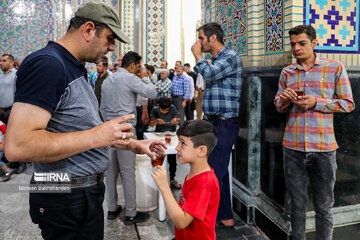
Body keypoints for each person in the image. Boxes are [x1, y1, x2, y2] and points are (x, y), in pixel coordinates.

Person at [4, 2, 166, 239]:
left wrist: (132, 144)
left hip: (79, 194)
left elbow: (78, 128)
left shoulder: (73, 67)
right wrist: (97, 135)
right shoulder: (48, 65)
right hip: (65, 196)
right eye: (110, 38)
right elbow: (17, 146)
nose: (112, 47)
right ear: (88, 30)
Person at [274, 25, 355, 240]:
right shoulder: (287, 72)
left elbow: (348, 104)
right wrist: (283, 100)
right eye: (293, 44)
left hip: (324, 147)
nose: (296, 48)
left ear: (314, 43)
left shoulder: (334, 68)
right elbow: (278, 106)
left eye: (302, 43)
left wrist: (317, 102)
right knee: (297, 205)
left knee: (324, 205)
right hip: (293, 146)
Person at [191, 22, 242, 227]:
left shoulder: (230, 56)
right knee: (219, 172)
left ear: (213, 38)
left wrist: (197, 56)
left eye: (202, 38)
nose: (199, 42)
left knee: (211, 174)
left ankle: (202, 221)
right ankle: (226, 217)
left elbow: (209, 74)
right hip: (212, 122)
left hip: (225, 123)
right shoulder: (214, 60)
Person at [100, 51, 158, 224]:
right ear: (132, 65)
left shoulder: (107, 80)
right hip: (125, 130)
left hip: (109, 130)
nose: (140, 70)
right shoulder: (130, 78)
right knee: (127, 172)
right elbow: (152, 93)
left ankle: (111, 209)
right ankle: (131, 213)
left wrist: (108, 124)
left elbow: (102, 107)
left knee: (110, 172)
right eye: (139, 67)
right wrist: (145, 76)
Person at [152, 119, 220, 240]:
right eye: (179, 142)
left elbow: (181, 222)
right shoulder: (195, 172)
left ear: (201, 151)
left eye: (183, 143)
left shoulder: (204, 182)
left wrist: (164, 187)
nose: (177, 147)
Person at [150, 97, 181, 188]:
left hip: (171, 135)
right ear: (158, 106)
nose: (164, 112)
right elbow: (150, 124)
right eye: (162, 110)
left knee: (172, 158)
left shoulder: (173, 108)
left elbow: (178, 119)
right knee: (158, 157)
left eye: (166, 110)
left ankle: (172, 179)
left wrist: (176, 121)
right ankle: (157, 178)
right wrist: (156, 121)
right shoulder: (155, 110)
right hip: (159, 135)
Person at [0, 54, 16, 125]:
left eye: (4, 61)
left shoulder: (16, 75)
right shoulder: (1, 76)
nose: (1, 63)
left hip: (11, 111)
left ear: (12, 62)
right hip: (1, 112)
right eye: (0, 61)